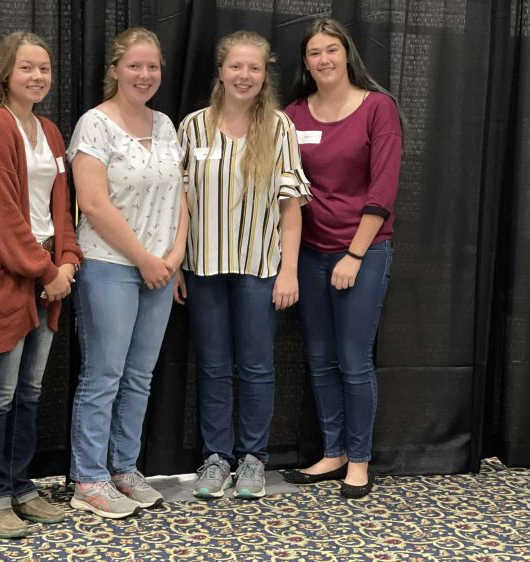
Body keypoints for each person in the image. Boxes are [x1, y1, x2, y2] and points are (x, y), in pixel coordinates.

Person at [0, 31, 82, 538]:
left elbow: (61, 207)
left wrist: (67, 260)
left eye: (44, 68)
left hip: (49, 276)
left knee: (28, 394)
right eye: (27, 68)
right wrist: (47, 271)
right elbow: (2, 218)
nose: (38, 77)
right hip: (5, 277)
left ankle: (18, 485)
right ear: (6, 72)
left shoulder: (49, 130)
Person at [176, 31, 312, 500]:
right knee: (213, 366)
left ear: (264, 74)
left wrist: (289, 271)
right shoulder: (192, 127)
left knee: (256, 367)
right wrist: (175, 265)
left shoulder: (278, 128)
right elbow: (180, 203)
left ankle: (253, 458)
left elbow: (290, 209)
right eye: (236, 66)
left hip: (259, 268)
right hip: (203, 267)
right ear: (220, 71)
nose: (244, 75)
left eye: (254, 68)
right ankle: (217, 457)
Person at [67, 27, 188, 519]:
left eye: (152, 66)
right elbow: (93, 203)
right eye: (134, 66)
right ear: (115, 69)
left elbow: (182, 194)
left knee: (139, 376)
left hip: (160, 270)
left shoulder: (165, 124)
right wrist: (143, 257)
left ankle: (123, 468)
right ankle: (88, 478)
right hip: (111, 266)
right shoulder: (94, 125)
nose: (144, 75)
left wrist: (174, 256)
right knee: (104, 375)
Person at [281, 18, 403, 499]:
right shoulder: (292, 114)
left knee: (353, 361)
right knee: (319, 359)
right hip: (310, 252)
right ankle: (332, 452)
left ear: (347, 55)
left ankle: (359, 459)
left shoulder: (378, 108)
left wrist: (353, 254)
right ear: (305, 62)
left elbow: (383, 188)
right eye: (314, 53)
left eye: (332, 50)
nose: (324, 60)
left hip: (363, 251)